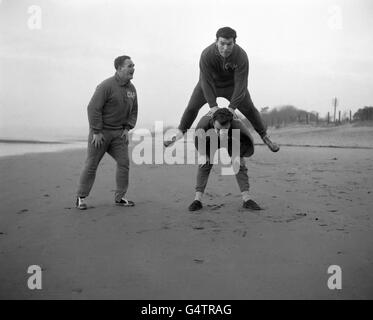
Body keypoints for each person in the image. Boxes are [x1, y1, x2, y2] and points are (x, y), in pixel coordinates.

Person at [164, 26, 279, 152]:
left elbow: (241, 84)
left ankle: (265, 136)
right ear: (216, 41)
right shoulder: (206, 54)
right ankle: (179, 133)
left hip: (232, 86)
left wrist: (232, 108)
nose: (225, 48)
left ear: (234, 43)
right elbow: (205, 81)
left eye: (229, 44)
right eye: (222, 43)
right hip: (209, 85)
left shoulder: (241, 56)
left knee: (250, 109)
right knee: (192, 107)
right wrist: (213, 106)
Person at [75, 55, 138, 210]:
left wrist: (127, 128)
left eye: (133, 65)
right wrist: (96, 131)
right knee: (91, 164)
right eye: (129, 66)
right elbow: (93, 108)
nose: (133, 68)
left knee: (124, 163)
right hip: (101, 134)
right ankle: (81, 198)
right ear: (119, 68)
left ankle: (120, 197)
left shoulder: (132, 89)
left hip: (119, 134)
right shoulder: (106, 86)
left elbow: (134, 110)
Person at [188, 108, 262, 212]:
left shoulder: (237, 125)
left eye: (225, 129)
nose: (221, 132)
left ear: (230, 124)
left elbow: (248, 142)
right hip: (210, 138)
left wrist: (240, 155)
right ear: (213, 122)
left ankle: (247, 199)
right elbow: (197, 142)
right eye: (218, 129)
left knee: (238, 163)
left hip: (231, 138)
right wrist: (204, 154)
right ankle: (197, 200)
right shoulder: (203, 126)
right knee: (205, 163)